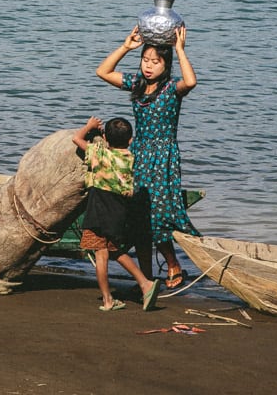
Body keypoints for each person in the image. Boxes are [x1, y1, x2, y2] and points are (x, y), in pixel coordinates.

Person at [96, 25, 200, 289]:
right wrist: (125, 47)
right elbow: (103, 72)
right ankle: (148, 276)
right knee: (140, 216)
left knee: (160, 213)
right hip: (139, 154)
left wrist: (179, 50)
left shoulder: (170, 91)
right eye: (145, 60)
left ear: (166, 65)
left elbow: (190, 82)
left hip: (163, 156)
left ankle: (173, 263)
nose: (149, 66)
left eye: (155, 61)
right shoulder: (137, 85)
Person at [72, 116, 161, 312]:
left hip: (98, 211)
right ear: (130, 140)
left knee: (101, 256)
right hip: (119, 212)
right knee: (114, 251)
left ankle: (109, 300)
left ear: (104, 138)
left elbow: (76, 139)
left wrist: (89, 126)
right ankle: (144, 283)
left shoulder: (100, 154)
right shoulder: (129, 158)